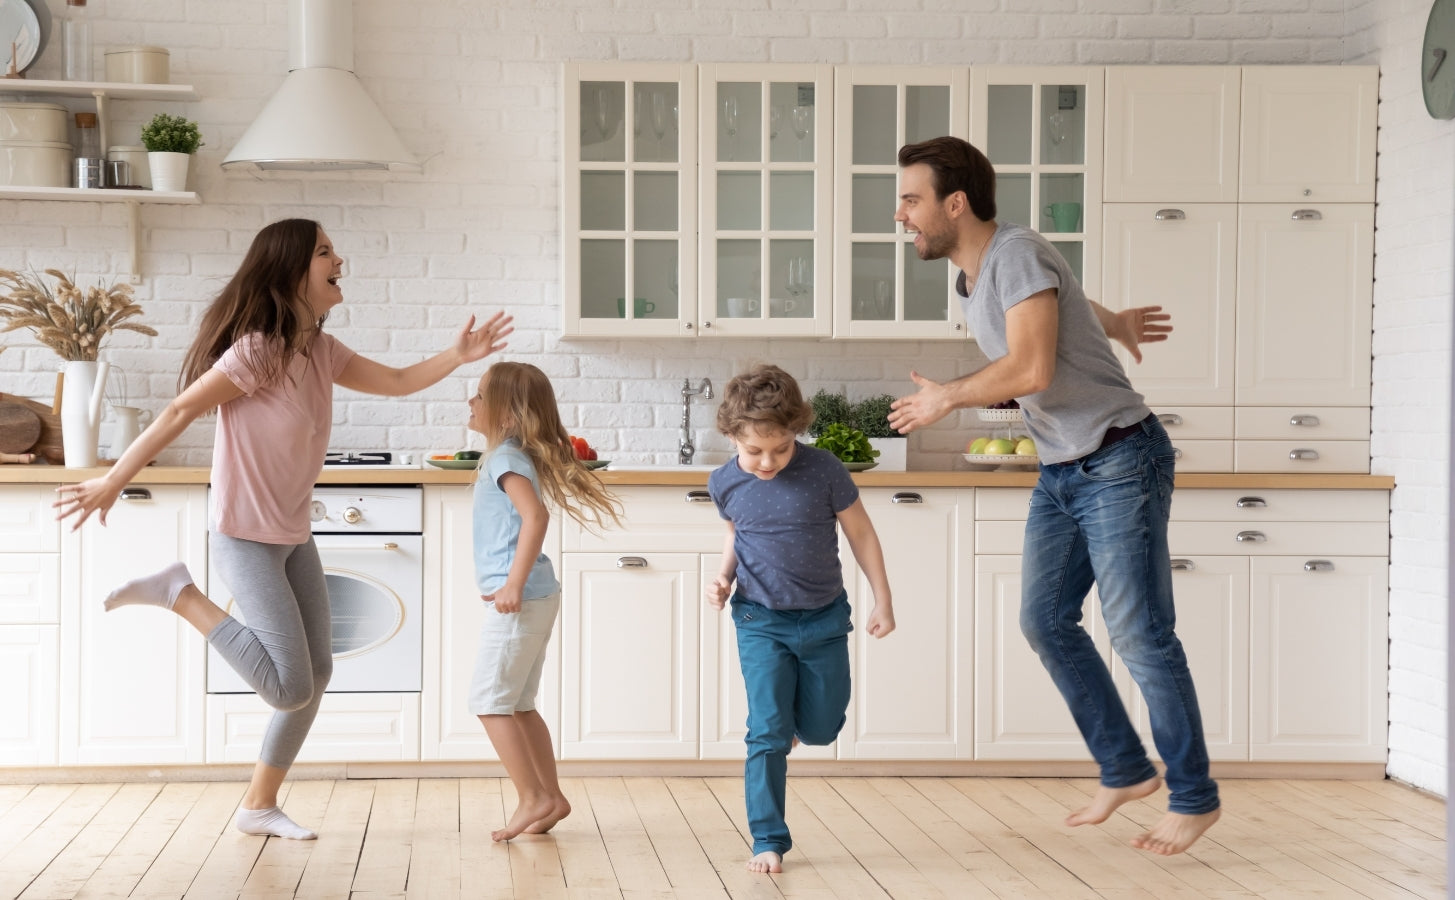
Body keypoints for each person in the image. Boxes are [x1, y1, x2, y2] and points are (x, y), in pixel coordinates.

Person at [52, 218, 513, 841]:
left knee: (316, 672)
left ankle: (257, 805)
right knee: (290, 686)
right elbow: (184, 407)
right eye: (325, 251)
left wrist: (459, 356)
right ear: (294, 270)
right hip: (243, 535)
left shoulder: (320, 351)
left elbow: (400, 383)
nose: (338, 259)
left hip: (293, 536)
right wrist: (112, 479)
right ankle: (178, 594)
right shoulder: (260, 350)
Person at [886, 136, 1220, 856]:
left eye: (911, 200)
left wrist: (948, 396)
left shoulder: (1015, 250)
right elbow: (1050, 301)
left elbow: (1031, 364)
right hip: (1065, 467)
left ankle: (1193, 796)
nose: (900, 214)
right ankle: (1126, 768)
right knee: (1044, 619)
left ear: (955, 202)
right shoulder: (979, 274)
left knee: (1139, 633)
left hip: (1119, 457)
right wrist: (1114, 321)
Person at [706, 363, 895, 875]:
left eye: (781, 448)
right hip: (759, 619)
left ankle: (794, 726)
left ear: (798, 432)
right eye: (754, 452)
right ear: (731, 436)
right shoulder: (723, 481)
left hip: (823, 620)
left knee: (822, 727)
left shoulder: (825, 470)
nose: (767, 462)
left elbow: (862, 535)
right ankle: (767, 839)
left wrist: (883, 598)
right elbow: (734, 536)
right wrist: (723, 578)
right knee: (765, 731)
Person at [463, 360, 621, 842]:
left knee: (490, 703)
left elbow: (535, 518)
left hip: (520, 598)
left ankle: (531, 797)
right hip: (535, 596)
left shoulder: (505, 460)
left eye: (481, 395)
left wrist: (511, 583)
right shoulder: (509, 455)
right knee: (518, 704)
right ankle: (551, 797)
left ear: (507, 414)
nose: (471, 401)